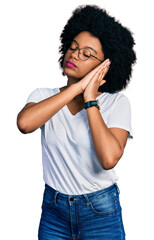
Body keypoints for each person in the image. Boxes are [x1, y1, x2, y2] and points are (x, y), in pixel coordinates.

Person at [17, 4, 136, 240]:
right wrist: (78, 88)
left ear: (106, 67)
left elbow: (108, 159)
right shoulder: (43, 96)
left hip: (100, 212)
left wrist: (90, 98)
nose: (74, 54)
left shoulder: (117, 104)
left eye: (87, 53)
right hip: (54, 211)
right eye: (73, 47)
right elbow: (24, 124)